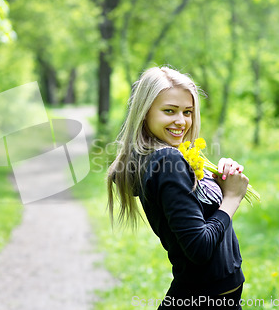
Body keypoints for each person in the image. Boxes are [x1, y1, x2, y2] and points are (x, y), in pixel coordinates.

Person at [106, 66, 249, 309]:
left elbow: (194, 207)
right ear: (145, 113)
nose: (181, 121)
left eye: (188, 112)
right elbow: (199, 247)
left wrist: (218, 183)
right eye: (169, 111)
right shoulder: (168, 161)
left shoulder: (164, 157)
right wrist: (232, 198)